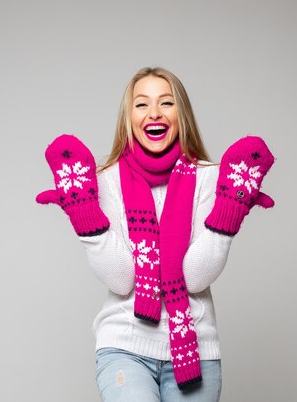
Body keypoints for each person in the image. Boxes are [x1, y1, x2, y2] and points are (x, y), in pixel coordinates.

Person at [36, 67, 275, 402]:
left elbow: (194, 278)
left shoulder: (213, 180)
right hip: (125, 347)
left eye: (166, 103)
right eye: (141, 104)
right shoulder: (103, 181)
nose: (155, 113)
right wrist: (84, 215)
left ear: (182, 114)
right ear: (128, 117)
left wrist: (228, 212)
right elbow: (120, 280)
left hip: (196, 353)